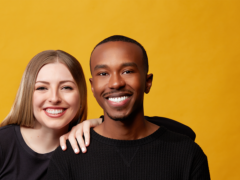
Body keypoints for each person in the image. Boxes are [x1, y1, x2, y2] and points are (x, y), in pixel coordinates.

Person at [47, 35, 210, 179]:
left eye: (127, 71)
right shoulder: (67, 157)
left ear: (148, 82)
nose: (116, 83)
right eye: (103, 74)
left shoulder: (188, 154)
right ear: (92, 87)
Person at [0, 50, 102, 180]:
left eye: (66, 87)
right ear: (27, 95)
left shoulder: (88, 148)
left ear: (81, 95)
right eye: (42, 87)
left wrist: (103, 123)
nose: (54, 98)